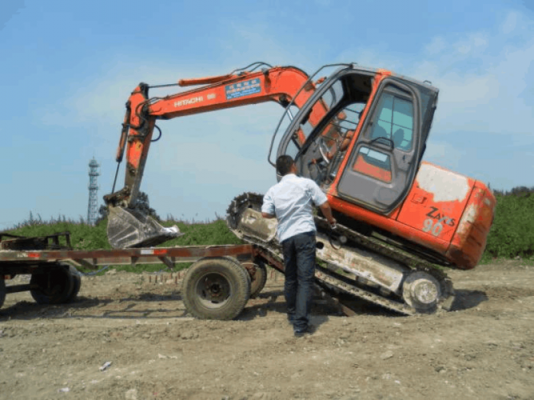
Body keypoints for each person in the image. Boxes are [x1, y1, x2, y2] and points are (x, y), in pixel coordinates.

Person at [261, 155, 337, 337]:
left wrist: (281, 215)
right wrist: (331, 221)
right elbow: (324, 205)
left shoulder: (273, 190)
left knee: (291, 278)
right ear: (293, 166)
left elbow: (265, 214)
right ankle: (301, 326)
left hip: (286, 237)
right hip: (304, 234)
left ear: (279, 171)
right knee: (305, 280)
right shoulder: (306, 184)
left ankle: (293, 315)